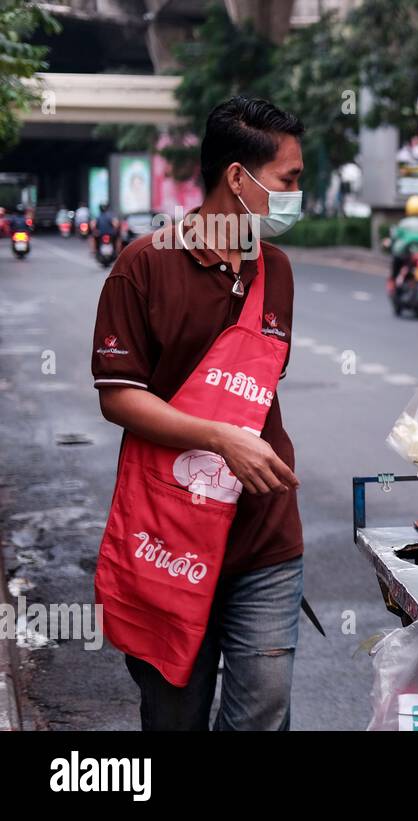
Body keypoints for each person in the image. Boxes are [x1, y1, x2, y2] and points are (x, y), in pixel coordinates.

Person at [91, 96, 309, 731]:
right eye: (288, 180)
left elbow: (259, 388)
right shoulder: (144, 266)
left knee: (263, 712)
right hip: (169, 541)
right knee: (174, 715)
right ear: (238, 178)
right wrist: (219, 438)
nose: (299, 193)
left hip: (264, 538)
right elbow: (118, 396)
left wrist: (241, 443)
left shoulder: (279, 272)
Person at [386, 194, 418, 284]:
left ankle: (393, 281)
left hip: (409, 254)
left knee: (396, 260)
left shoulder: (404, 223)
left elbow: (396, 236)